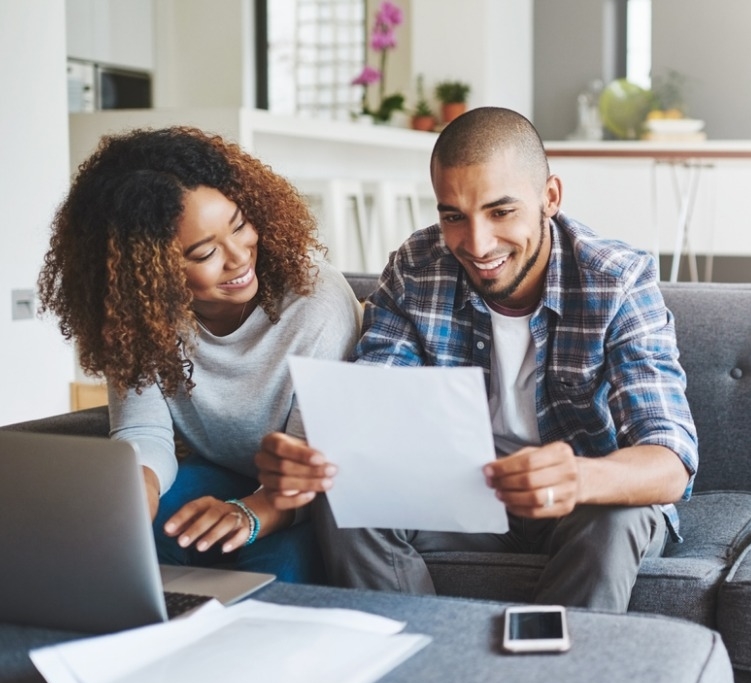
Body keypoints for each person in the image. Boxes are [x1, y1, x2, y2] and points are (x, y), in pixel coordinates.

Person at [254, 107, 698, 611]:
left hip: (583, 500)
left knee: (620, 517)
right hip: (465, 496)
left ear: (549, 197)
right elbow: (376, 400)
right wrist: (312, 455)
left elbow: (670, 459)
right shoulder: (417, 269)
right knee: (343, 499)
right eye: (453, 216)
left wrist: (578, 478)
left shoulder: (616, 279)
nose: (477, 244)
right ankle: (421, 658)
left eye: (501, 211)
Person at [38, 126, 362, 583]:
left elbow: (312, 462)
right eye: (204, 252)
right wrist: (138, 488)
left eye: (240, 226)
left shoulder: (315, 302)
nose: (238, 257)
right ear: (146, 271)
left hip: (302, 495)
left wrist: (248, 514)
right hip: (215, 472)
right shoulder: (139, 315)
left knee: (280, 574)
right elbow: (144, 430)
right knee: (135, 543)